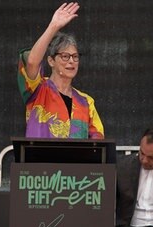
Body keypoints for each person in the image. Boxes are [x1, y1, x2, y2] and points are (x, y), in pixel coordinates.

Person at [17, 2, 104, 139]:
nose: (71, 61)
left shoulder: (86, 102)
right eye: (65, 56)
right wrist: (54, 26)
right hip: (40, 159)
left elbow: (98, 141)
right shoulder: (38, 89)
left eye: (75, 57)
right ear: (51, 61)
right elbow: (32, 62)